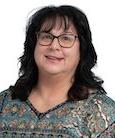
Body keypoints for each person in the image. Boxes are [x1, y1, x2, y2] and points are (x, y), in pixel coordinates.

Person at [0, 5, 115, 137]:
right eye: (46, 36)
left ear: (82, 49)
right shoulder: (3, 103)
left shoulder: (103, 113)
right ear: (33, 45)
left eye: (66, 38)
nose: (54, 46)